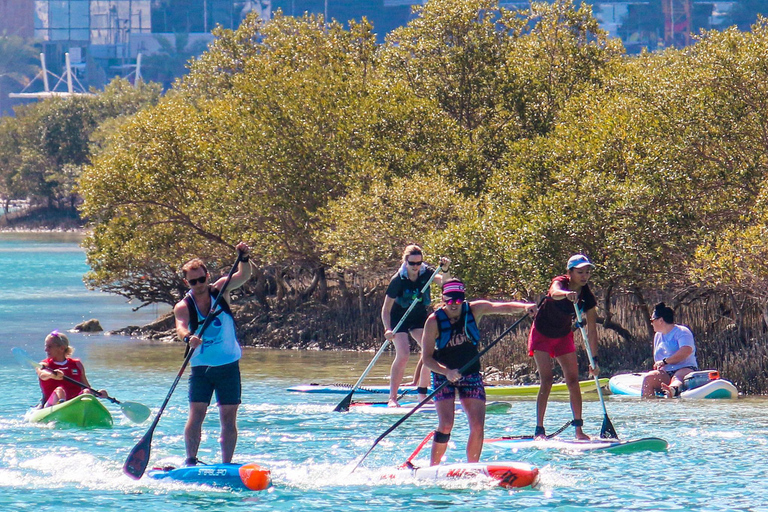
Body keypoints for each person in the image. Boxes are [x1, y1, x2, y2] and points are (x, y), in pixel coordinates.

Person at [421, 279, 537, 465]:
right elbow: (427, 359)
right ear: (443, 299)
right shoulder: (433, 321)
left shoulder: (475, 309)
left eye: (458, 301)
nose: (454, 305)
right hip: (444, 375)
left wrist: (525, 307)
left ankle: (472, 467)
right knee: (446, 424)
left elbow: (502, 307)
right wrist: (447, 372)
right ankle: (433, 468)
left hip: (471, 373)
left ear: (463, 299)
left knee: (477, 424)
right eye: (450, 301)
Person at [174, 241, 252, 466]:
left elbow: (243, 275)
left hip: (228, 366)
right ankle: (190, 460)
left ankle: (227, 464)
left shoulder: (221, 290)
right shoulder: (183, 305)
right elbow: (181, 327)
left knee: (228, 418)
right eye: (193, 281)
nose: (198, 284)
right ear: (186, 282)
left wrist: (244, 257)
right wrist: (189, 338)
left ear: (207, 276)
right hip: (201, 369)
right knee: (196, 415)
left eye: (201, 279)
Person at [529, 254, 599, 441]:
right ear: (570, 273)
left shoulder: (587, 297)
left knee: (573, 380)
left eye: (587, 272)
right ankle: (539, 429)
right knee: (547, 379)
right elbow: (554, 292)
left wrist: (595, 360)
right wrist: (566, 294)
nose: (584, 276)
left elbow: (592, 331)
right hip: (542, 334)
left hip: (563, 336)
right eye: (580, 272)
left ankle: (578, 430)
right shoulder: (560, 282)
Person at [381, 244, 450, 406]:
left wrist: (446, 269)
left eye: (418, 263)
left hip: (418, 318)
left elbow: (446, 284)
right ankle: (392, 398)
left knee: (430, 352)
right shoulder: (398, 280)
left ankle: (422, 394)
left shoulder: (426, 272)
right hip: (399, 319)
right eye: (412, 263)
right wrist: (388, 328)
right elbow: (386, 309)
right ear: (405, 262)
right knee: (403, 354)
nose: (415, 267)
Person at [641, 302, 699, 398]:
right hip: (666, 373)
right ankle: (649, 406)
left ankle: (672, 389)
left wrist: (665, 361)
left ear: (660, 320)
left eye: (652, 320)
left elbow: (686, 350)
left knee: (677, 377)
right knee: (648, 378)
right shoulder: (658, 336)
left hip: (685, 368)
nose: (651, 323)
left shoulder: (682, 331)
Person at [36, 330, 106, 407]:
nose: (46, 350)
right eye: (46, 346)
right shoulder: (44, 364)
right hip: (50, 405)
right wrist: (52, 375)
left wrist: (98, 394)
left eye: (49, 347)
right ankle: (62, 406)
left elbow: (86, 386)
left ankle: (83, 409)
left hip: (74, 404)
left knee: (86, 391)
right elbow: (42, 374)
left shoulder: (77, 364)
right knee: (59, 390)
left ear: (62, 348)